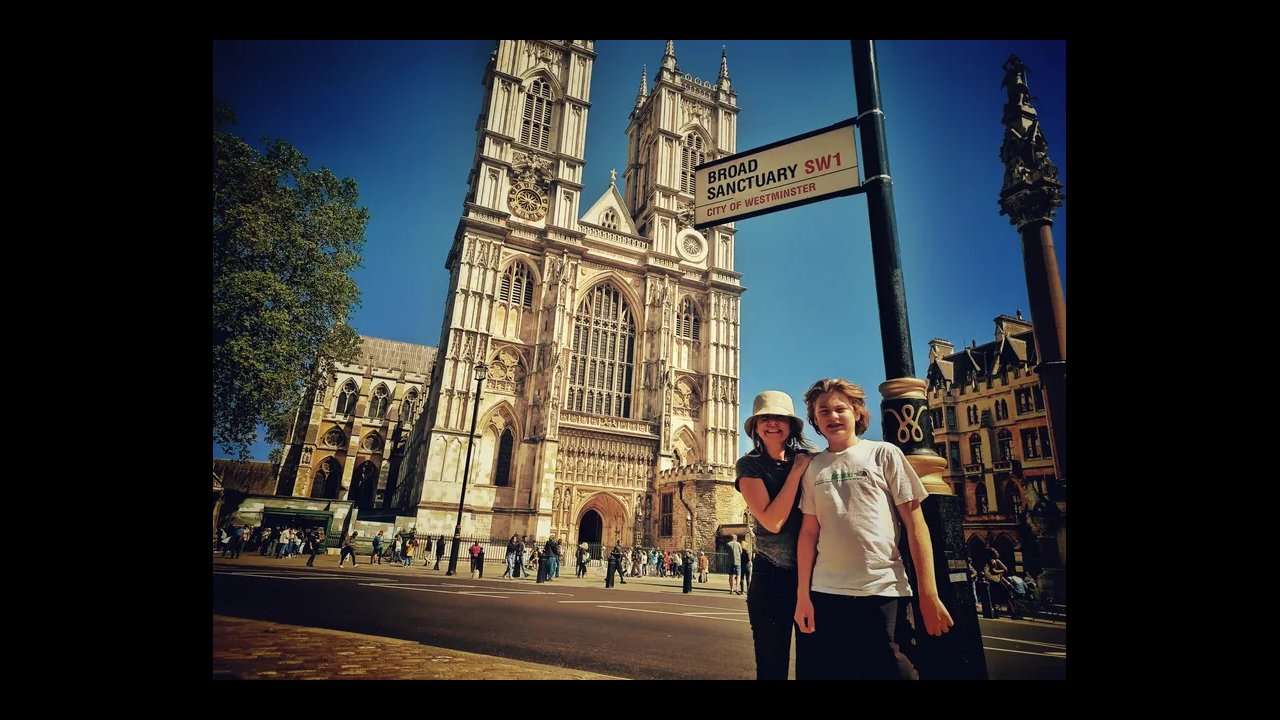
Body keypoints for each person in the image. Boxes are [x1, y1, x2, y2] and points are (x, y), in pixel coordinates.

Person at [795, 378, 954, 680]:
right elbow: (808, 534)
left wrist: (928, 595)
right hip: (826, 593)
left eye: (840, 408)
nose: (832, 416)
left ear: (856, 411)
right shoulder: (814, 467)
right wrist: (803, 595)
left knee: (895, 671)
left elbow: (915, 524)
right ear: (814, 420)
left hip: (883, 590)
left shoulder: (884, 454)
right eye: (823, 411)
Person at [735, 389, 816, 680]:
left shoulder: (811, 460)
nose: (772, 423)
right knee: (772, 667)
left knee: (814, 665)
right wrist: (796, 473)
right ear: (755, 427)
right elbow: (772, 521)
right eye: (764, 418)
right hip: (772, 575)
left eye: (780, 418)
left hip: (815, 575)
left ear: (791, 425)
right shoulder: (750, 465)